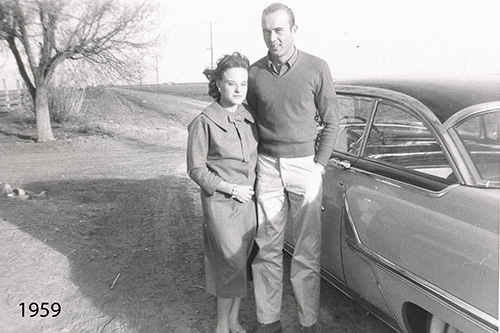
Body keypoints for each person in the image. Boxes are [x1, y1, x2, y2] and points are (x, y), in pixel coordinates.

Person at [247, 3, 340, 332]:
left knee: (306, 251)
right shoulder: (254, 73)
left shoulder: (316, 67)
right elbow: (250, 122)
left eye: (279, 30)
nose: (272, 38)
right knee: (267, 248)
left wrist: (318, 167)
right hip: (268, 166)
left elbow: (332, 122)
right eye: (266, 31)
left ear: (294, 31)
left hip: (305, 167)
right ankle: (268, 321)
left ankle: (307, 322)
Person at [187, 52, 258, 333]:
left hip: (248, 206)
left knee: (241, 264)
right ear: (218, 84)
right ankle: (220, 326)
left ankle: (233, 321)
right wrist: (230, 188)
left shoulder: (248, 116)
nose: (239, 89)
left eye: (243, 83)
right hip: (221, 205)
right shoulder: (204, 122)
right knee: (230, 264)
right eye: (231, 83)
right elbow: (196, 169)